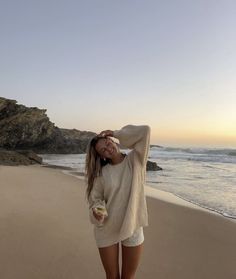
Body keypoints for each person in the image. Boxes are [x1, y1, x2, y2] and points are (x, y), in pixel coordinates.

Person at [85, 124, 151, 279]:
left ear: (113, 141)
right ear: (102, 156)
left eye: (108, 143)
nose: (108, 149)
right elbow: (95, 199)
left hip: (132, 224)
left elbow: (145, 131)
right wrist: (98, 210)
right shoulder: (101, 173)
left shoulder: (136, 160)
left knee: (128, 277)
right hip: (108, 227)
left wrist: (116, 133)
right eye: (103, 150)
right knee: (112, 276)